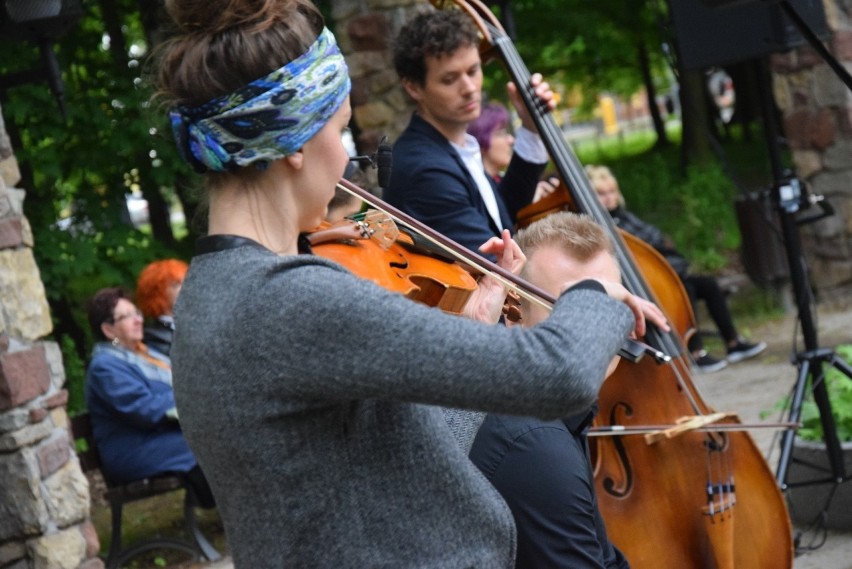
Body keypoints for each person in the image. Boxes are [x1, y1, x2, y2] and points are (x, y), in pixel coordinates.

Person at [156, 1, 666, 566]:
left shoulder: (212, 291)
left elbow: (368, 461)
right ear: (295, 144)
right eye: (342, 129)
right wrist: (593, 295)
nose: (348, 157)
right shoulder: (289, 299)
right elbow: (560, 375)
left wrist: (470, 329)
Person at [469, 212, 631, 569]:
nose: (595, 324)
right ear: (513, 314)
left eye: (607, 302)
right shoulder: (535, 443)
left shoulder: (553, 413)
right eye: (572, 306)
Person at [385, 10, 553, 257]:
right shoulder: (426, 171)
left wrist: (530, 127)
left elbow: (501, 216)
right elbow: (495, 267)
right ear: (413, 87)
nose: (469, 88)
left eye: (473, 71)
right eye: (450, 79)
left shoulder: (451, 146)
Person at [586, 165, 766, 372]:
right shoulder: (600, 225)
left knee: (708, 285)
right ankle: (695, 352)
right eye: (601, 193)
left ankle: (733, 343)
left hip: (657, 272)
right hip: (637, 282)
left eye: (611, 192)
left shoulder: (624, 216)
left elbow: (653, 240)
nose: (609, 198)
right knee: (685, 288)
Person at [84, 286, 214, 507]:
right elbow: (145, 410)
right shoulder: (105, 366)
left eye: (137, 313)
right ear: (108, 330)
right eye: (127, 316)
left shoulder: (145, 354)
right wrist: (193, 396)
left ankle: (235, 508)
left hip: (158, 438)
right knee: (211, 440)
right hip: (135, 450)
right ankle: (235, 510)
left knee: (220, 432)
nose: (138, 320)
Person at [467, 101, 558, 204]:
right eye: (501, 134)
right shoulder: (474, 192)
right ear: (479, 141)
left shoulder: (503, 181)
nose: (511, 140)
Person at [136, 258, 188, 356]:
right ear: (157, 293)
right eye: (175, 285)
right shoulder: (150, 338)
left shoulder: (194, 326)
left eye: (185, 282)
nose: (185, 288)